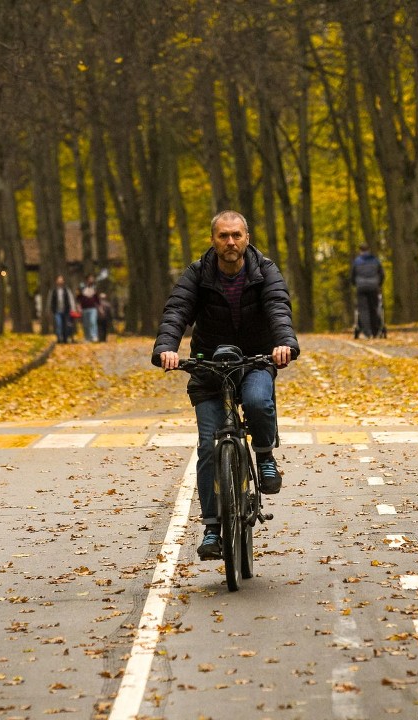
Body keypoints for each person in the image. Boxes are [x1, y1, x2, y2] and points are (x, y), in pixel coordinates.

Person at [152, 210, 300, 561]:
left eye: (236, 235)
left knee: (259, 402)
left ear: (247, 237)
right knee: (207, 445)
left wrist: (283, 344)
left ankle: (264, 457)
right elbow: (177, 311)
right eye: (223, 236)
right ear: (213, 240)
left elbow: (278, 307)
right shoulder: (197, 273)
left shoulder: (265, 270)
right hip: (208, 365)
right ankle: (212, 528)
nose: (230, 242)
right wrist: (166, 348)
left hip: (255, 360)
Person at [350, 243, 384, 338]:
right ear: (368, 250)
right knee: (374, 308)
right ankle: (375, 330)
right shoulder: (375, 260)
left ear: (360, 251)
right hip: (373, 286)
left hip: (361, 287)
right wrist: (379, 283)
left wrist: (355, 284)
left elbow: (352, 275)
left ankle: (367, 332)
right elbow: (381, 273)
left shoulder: (357, 261)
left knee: (363, 309)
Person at [47, 275, 77, 344]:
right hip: (57, 311)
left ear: (63, 281)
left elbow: (71, 299)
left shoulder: (67, 290)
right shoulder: (53, 290)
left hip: (66, 310)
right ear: (56, 281)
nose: (60, 281)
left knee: (66, 325)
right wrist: (49, 310)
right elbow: (50, 300)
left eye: (61, 280)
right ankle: (59, 338)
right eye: (58, 280)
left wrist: (73, 308)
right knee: (59, 324)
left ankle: (65, 338)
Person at [77, 274, 101, 342]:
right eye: (90, 278)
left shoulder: (94, 288)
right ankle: (87, 337)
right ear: (87, 279)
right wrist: (78, 306)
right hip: (84, 308)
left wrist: (99, 307)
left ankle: (94, 336)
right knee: (85, 323)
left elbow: (97, 298)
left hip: (93, 308)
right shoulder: (82, 288)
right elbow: (78, 298)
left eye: (92, 279)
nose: (92, 280)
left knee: (92, 321)